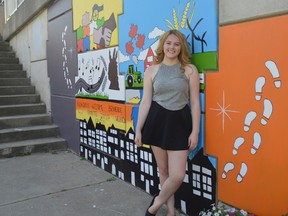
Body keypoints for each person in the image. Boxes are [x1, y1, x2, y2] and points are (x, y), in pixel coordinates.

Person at [134, 29, 200, 216]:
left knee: (177, 175)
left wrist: (195, 131)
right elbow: (145, 101)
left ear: (181, 48)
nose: (172, 47)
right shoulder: (151, 70)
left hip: (180, 123)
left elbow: (195, 102)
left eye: (176, 44)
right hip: (157, 122)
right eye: (169, 43)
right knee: (163, 171)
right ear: (163, 45)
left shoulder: (189, 70)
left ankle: (154, 206)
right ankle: (171, 212)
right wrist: (138, 129)